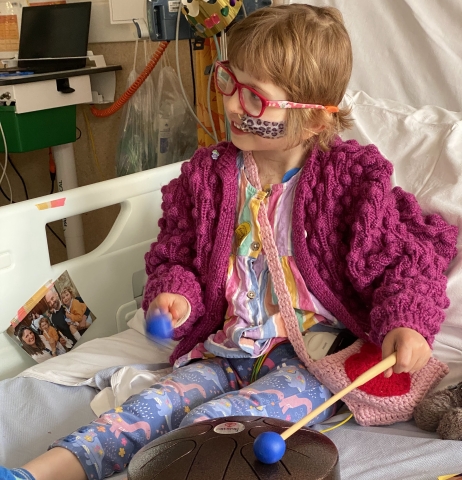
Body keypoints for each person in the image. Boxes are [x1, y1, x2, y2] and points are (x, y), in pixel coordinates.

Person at [2, 4, 458, 480]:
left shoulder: (350, 183)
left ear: (316, 119)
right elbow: (176, 255)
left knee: (211, 430)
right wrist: (174, 295)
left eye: (256, 98)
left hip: (315, 364)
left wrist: (406, 323)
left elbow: (407, 263)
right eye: (229, 82)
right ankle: (34, 474)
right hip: (227, 348)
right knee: (146, 410)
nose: (235, 105)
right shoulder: (207, 178)